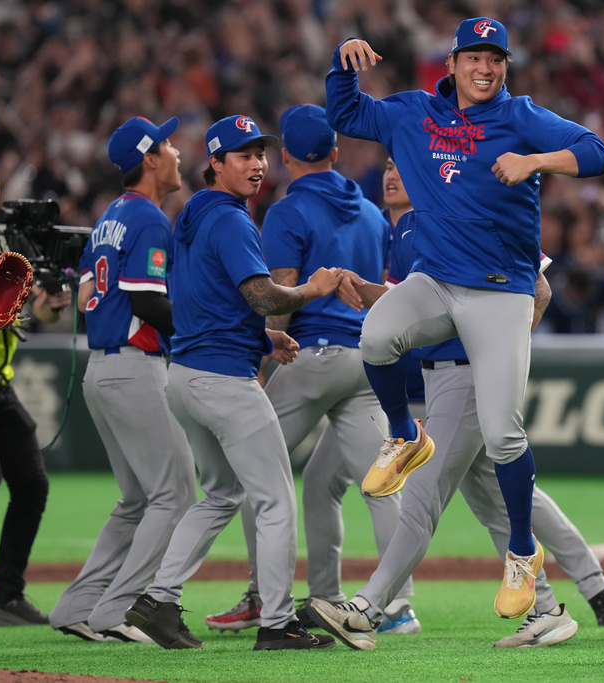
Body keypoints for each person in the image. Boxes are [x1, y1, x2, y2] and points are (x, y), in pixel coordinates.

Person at [322, 15, 604, 620]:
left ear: (505, 66)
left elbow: (597, 151)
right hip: (437, 280)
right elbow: (347, 116)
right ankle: (404, 435)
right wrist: (341, 64)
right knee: (375, 334)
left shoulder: (519, 116)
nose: (485, 68)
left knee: (505, 436)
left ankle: (523, 554)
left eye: (496, 59)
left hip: (500, 291)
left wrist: (537, 162)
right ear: (450, 64)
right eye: (474, 57)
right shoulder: (412, 113)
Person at [301, 159, 604, 650]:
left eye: (404, 164)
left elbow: (537, 286)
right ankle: (546, 610)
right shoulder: (404, 229)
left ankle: (368, 609)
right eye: (389, 164)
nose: (394, 173)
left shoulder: (463, 212)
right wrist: (368, 294)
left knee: (421, 496)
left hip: (467, 374)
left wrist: (504, 357)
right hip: (439, 378)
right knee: (500, 507)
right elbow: (416, 306)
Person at [123, 114, 342, 652]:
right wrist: (312, 291)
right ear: (215, 164)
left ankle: (158, 601)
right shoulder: (232, 219)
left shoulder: (192, 214)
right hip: (223, 380)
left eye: (261, 153)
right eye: (242, 155)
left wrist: (263, 338)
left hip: (187, 375)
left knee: (221, 494)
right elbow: (263, 295)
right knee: (275, 502)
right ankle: (277, 624)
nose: (257, 163)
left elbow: (204, 301)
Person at [203, 105, 420, 635]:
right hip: (366, 361)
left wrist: (258, 355)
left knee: (257, 475)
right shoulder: (371, 210)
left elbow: (278, 295)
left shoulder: (286, 211)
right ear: (334, 152)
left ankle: (262, 594)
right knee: (372, 484)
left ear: (285, 158)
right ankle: (387, 605)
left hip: (309, 356)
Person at [49, 117, 196, 643]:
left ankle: (76, 606)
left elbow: (90, 296)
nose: (177, 150)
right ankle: (116, 609)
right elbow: (147, 301)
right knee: (176, 491)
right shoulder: (150, 219)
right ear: (150, 159)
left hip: (102, 367)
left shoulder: (108, 217)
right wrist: (206, 329)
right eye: (168, 143)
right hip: (134, 367)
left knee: (138, 499)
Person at [0, 154, 72, 626]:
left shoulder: (7, 238)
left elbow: (37, 318)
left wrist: (48, 305)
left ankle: (6, 595)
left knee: (31, 484)